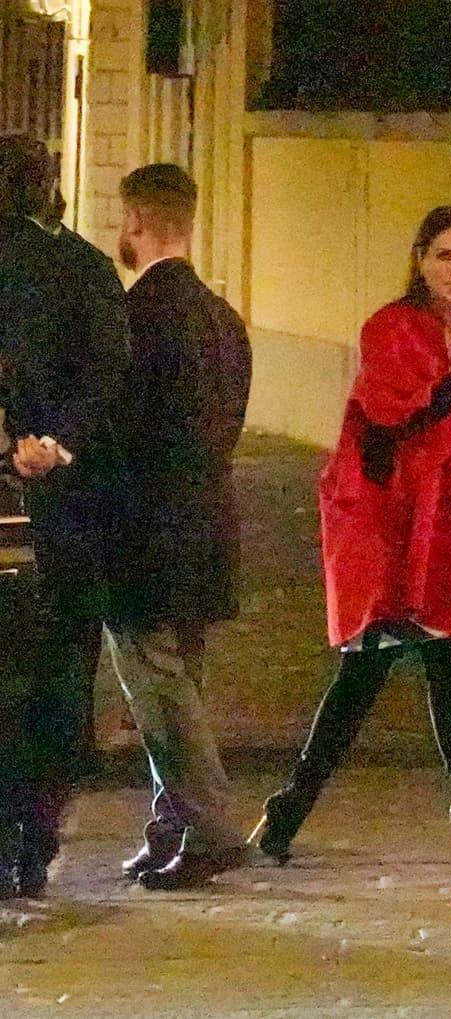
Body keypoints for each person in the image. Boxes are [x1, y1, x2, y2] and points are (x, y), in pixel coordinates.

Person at [251, 205, 451, 867]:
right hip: (391, 524)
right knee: (361, 679)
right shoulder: (391, 328)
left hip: (446, 525)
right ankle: (288, 811)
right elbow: (392, 417)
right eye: (444, 256)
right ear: (420, 259)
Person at [106, 163, 253, 890]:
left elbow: (117, 433)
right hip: (208, 524)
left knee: (157, 688)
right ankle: (172, 825)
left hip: (146, 531)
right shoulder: (225, 321)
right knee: (181, 683)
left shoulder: (134, 318)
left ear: (136, 223)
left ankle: (212, 823)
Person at [0, 133, 130, 895]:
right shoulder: (84, 267)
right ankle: (38, 832)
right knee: (59, 671)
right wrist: (62, 442)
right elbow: (110, 368)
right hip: (64, 506)